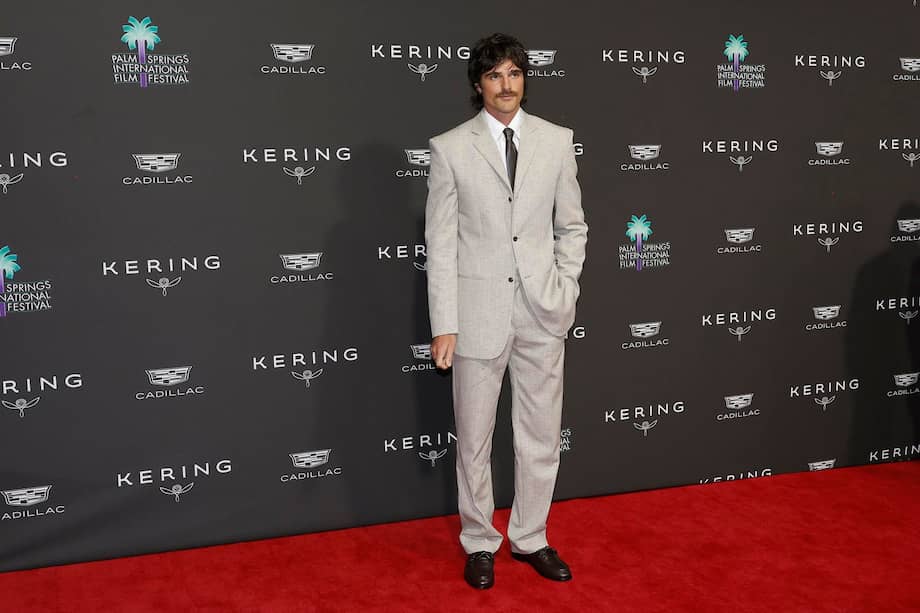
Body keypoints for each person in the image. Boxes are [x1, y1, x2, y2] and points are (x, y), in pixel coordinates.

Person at [424, 33, 588, 589]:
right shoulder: (449, 148)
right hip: (476, 314)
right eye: (494, 75)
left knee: (540, 434)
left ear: (525, 78)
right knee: (473, 437)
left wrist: (565, 289)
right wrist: (444, 322)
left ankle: (531, 536)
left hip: (542, 310)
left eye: (514, 73)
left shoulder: (557, 141)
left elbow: (572, 227)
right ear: (478, 84)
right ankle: (479, 540)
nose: (506, 85)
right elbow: (440, 243)